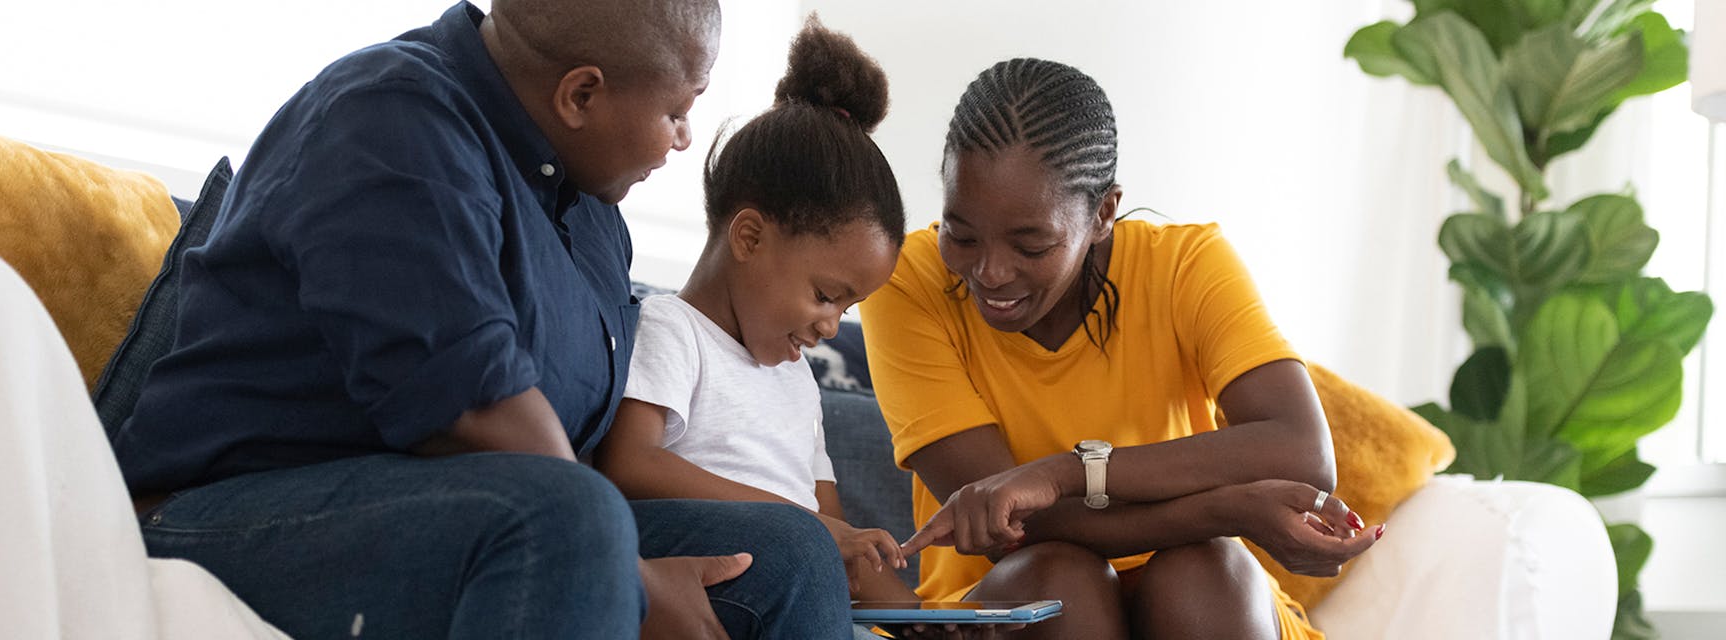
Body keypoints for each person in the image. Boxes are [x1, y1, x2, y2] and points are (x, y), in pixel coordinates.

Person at [107, 1, 851, 638]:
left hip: (461, 510)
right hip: (225, 511)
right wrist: (635, 581)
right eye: (676, 111)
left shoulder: (593, 214)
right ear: (581, 94)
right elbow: (470, 405)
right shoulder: (386, 117)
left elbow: (579, 448)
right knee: (569, 522)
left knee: (788, 553)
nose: (684, 139)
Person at [863, 59, 1381, 640]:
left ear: (1104, 213)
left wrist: (1066, 473)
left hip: (1213, 610)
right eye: (961, 235)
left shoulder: (1187, 265)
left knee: (1203, 571)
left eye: (1031, 245)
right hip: (1022, 605)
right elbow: (1018, 526)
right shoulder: (907, 283)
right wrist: (1226, 508)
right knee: (1057, 582)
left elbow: (1302, 451)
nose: (990, 272)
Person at [593, 17, 917, 605]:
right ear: (748, 238)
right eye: (826, 294)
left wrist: (923, 618)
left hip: (797, 585)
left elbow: (836, 534)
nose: (830, 324)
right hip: (714, 579)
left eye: (848, 306)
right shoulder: (673, 330)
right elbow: (627, 464)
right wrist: (806, 526)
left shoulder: (797, 381)